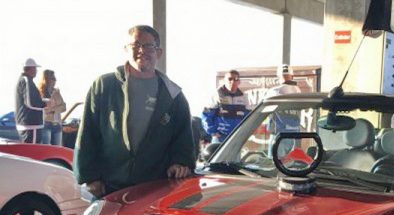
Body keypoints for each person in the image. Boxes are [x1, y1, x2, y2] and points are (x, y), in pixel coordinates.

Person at [74, 25, 195, 198]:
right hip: (108, 187)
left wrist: (181, 163)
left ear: (158, 52)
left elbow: (183, 138)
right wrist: (89, 176)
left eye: (148, 46)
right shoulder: (104, 86)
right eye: (135, 45)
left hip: (155, 189)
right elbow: (87, 133)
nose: (141, 50)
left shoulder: (173, 95)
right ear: (126, 49)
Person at [201, 69, 249, 143]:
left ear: (239, 82)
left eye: (235, 79)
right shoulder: (216, 95)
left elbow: (248, 116)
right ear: (224, 81)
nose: (232, 81)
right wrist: (213, 132)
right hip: (220, 138)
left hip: (237, 136)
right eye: (230, 79)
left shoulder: (243, 97)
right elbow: (206, 115)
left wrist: (245, 131)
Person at [14, 58, 46, 143]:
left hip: (28, 125)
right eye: (35, 68)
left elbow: (30, 99)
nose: (36, 71)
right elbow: (31, 102)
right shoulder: (26, 80)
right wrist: (46, 104)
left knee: (29, 148)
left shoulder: (24, 80)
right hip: (31, 125)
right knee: (33, 149)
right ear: (31, 68)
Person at [39, 69, 66, 146]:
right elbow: (43, 109)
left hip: (57, 124)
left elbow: (64, 107)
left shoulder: (56, 92)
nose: (55, 80)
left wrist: (53, 110)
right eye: (53, 78)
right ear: (46, 79)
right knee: (47, 148)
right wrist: (56, 108)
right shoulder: (40, 92)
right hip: (46, 124)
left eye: (55, 79)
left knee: (58, 148)